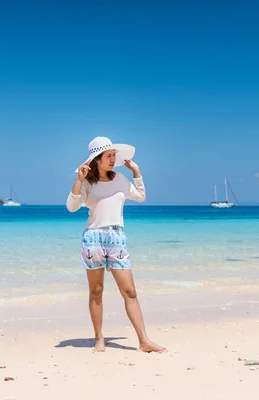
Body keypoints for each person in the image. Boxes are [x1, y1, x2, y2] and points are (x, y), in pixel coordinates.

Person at [66, 136, 166, 353]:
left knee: (129, 290)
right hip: (93, 238)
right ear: (97, 159)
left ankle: (143, 340)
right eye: (108, 156)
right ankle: (99, 338)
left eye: (114, 156)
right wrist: (78, 181)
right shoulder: (87, 183)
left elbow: (140, 196)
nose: (113, 159)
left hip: (116, 237)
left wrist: (136, 172)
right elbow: (72, 207)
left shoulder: (120, 179)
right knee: (96, 290)